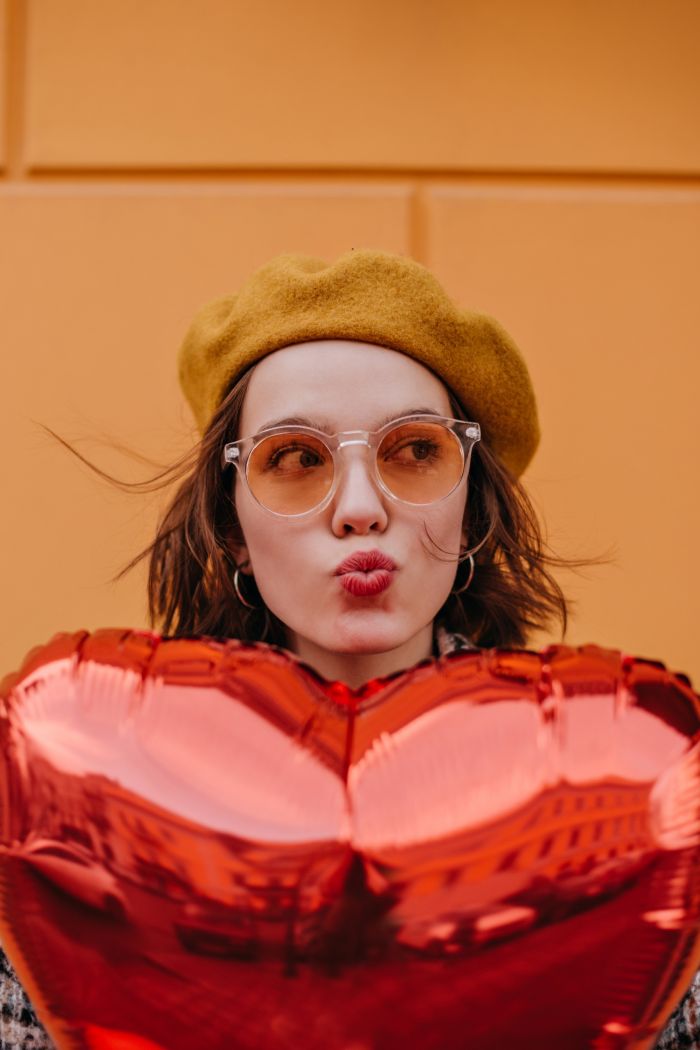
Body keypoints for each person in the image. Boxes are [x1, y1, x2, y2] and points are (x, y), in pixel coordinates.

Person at [2, 250, 696, 1048]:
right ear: (230, 527)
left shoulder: (620, 782)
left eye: (415, 451)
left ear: (472, 509)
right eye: (295, 458)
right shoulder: (87, 778)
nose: (361, 509)